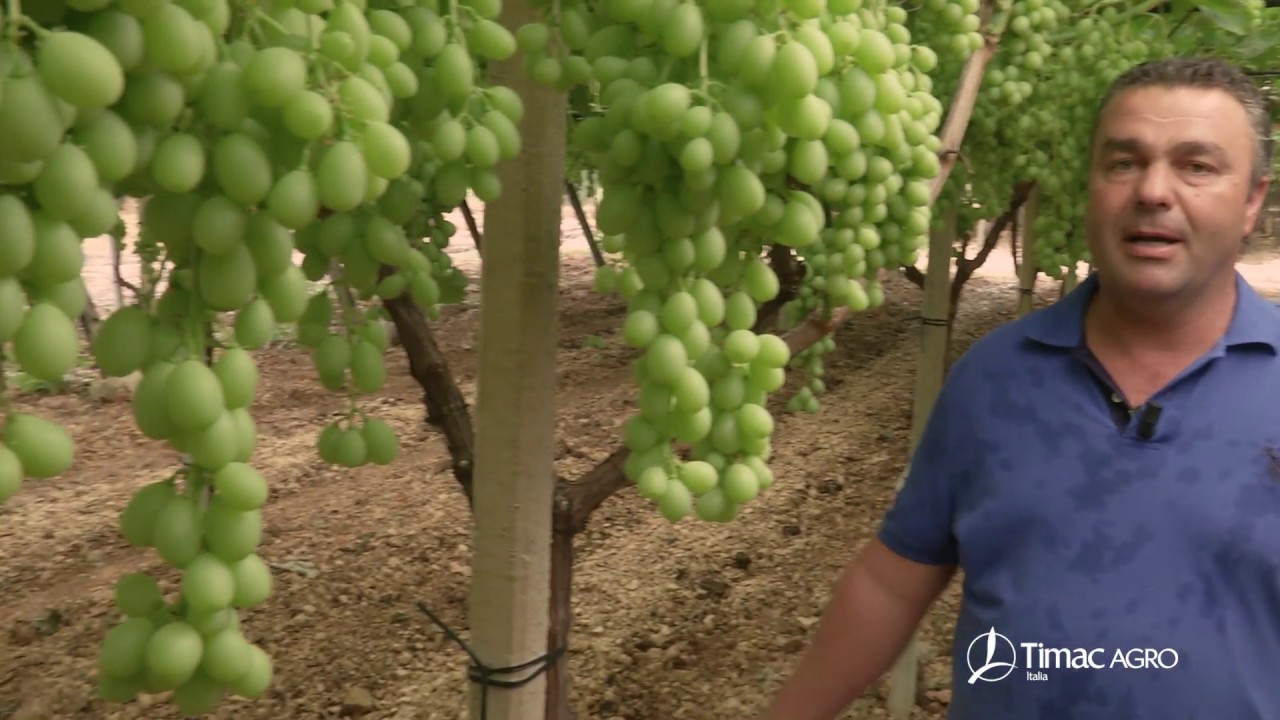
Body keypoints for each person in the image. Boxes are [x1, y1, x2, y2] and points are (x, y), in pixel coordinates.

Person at [758, 55, 1278, 720]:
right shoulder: (994, 377)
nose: (1153, 190)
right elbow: (892, 581)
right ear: (1091, 186)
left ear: (1252, 200)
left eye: (1196, 166)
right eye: (1124, 162)